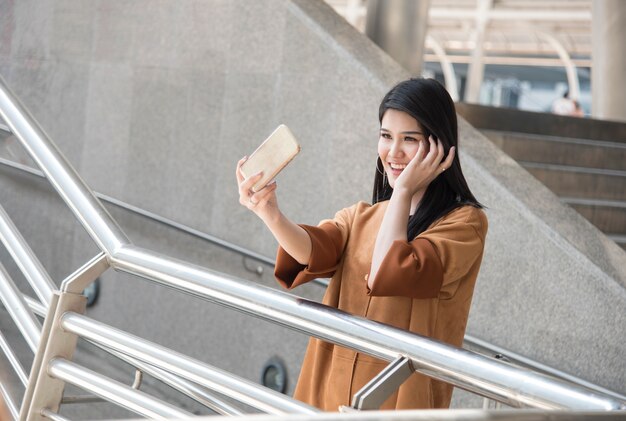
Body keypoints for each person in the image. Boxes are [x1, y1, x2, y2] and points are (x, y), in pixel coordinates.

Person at [236, 78, 488, 411]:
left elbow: (390, 270)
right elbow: (311, 251)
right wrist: (270, 213)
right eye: (386, 136)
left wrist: (402, 192)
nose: (393, 152)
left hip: (399, 402)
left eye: (409, 139)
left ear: (438, 147)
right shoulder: (362, 217)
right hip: (327, 393)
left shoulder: (464, 224)